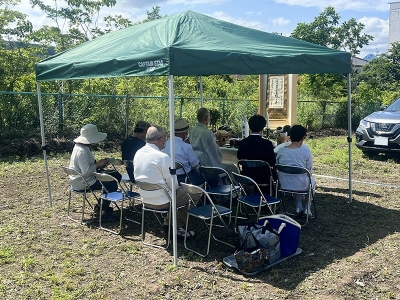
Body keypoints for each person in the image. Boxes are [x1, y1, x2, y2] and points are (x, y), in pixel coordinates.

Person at [133, 125, 196, 237]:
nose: (165, 141)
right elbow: (174, 185)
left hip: (145, 199)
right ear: (160, 139)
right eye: (165, 138)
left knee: (175, 193)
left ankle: (168, 223)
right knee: (194, 193)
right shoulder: (163, 157)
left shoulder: (138, 153)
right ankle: (177, 227)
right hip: (163, 202)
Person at [69, 124, 122, 222]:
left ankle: (99, 206)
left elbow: (86, 167)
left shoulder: (79, 147)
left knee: (110, 179)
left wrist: (98, 165)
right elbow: (86, 171)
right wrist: (97, 164)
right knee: (111, 184)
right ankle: (103, 213)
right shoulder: (82, 151)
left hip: (78, 179)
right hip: (83, 181)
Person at [189, 107, 238, 184]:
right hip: (205, 164)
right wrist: (219, 144)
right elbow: (213, 152)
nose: (210, 118)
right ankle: (235, 191)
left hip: (195, 162)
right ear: (206, 118)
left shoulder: (192, 130)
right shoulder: (206, 133)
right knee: (231, 167)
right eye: (209, 116)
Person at [276, 124, 316, 216]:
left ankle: (298, 206)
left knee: (299, 179)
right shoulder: (306, 152)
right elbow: (309, 170)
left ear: (290, 136)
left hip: (283, 184)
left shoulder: (281, 150)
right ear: (303, 138)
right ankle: (307, 208)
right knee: (309, 181)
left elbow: (277, 165)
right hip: (301, 184)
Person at [237, 114, 276, 193]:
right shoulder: (267, 144)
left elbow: (239, 157)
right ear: (262, 128)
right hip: (264, 177)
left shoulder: (242, 143)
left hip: (247, 175)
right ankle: (266, 199)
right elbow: (272, 161)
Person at [162, 118, 204, 186]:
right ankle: (206, 196)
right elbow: (194, 165)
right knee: (213, 177)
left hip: (170, 178)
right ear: (184, 133)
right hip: (186, 179)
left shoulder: (166, 143)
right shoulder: (186, 146)